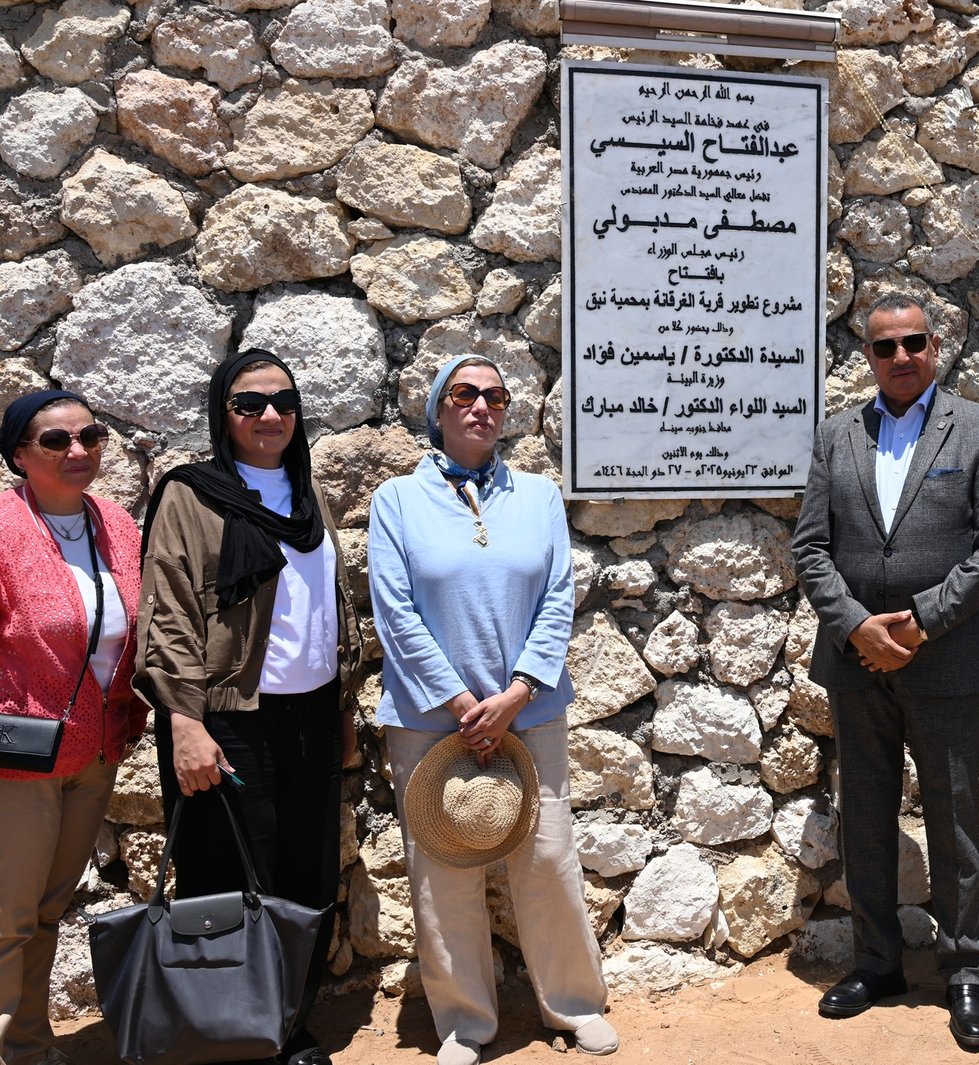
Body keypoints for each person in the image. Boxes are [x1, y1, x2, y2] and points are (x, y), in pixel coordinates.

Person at [367, 356, 616, 1064]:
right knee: (442, 872)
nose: (482, 406)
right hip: (430, 718)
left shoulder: (537, 496)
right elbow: (395, 612)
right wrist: (461, 702)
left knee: (548, 860)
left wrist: (516, 694)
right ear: (438, 409)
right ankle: (464, 1022)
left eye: (496, 396)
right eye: (465, 393)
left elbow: (558, 598)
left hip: (529, 712)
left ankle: (575, 1004)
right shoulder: (397, 500)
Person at [792, 294, 979, 1051]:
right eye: (885, 345)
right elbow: (811, 547)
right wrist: (857, 624)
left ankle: (964, 971)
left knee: (954, 819)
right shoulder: (837, 435)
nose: (901, 356)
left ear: (936, 346)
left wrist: (921, 621)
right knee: (865, 815)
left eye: (913, 342)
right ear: (867, 355)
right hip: (857, 661)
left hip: (946, 658)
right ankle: (877, 963)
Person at [136, 350, 362, 1065]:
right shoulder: (190, 495)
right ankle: (231, 1034)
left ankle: (287, 1025)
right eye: (250, 403)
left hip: (311, 715)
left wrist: (344, 709)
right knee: (230, 873)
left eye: (284, 402)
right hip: (228, 717)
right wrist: (185, 721)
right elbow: (168, 611)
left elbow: (330, 606)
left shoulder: (307, 492)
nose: (270, 415)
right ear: (222, 413)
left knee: (306, 874)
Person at [0, 391, 143, 1065]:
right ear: (20, 455)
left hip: (97, 750)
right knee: (7, 917)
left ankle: (28, 1045)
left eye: (90, 436)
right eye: (56, 440)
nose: (79, 450)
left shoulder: (115, 523)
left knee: (48, 910)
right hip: (18, 757)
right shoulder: (3, 527)